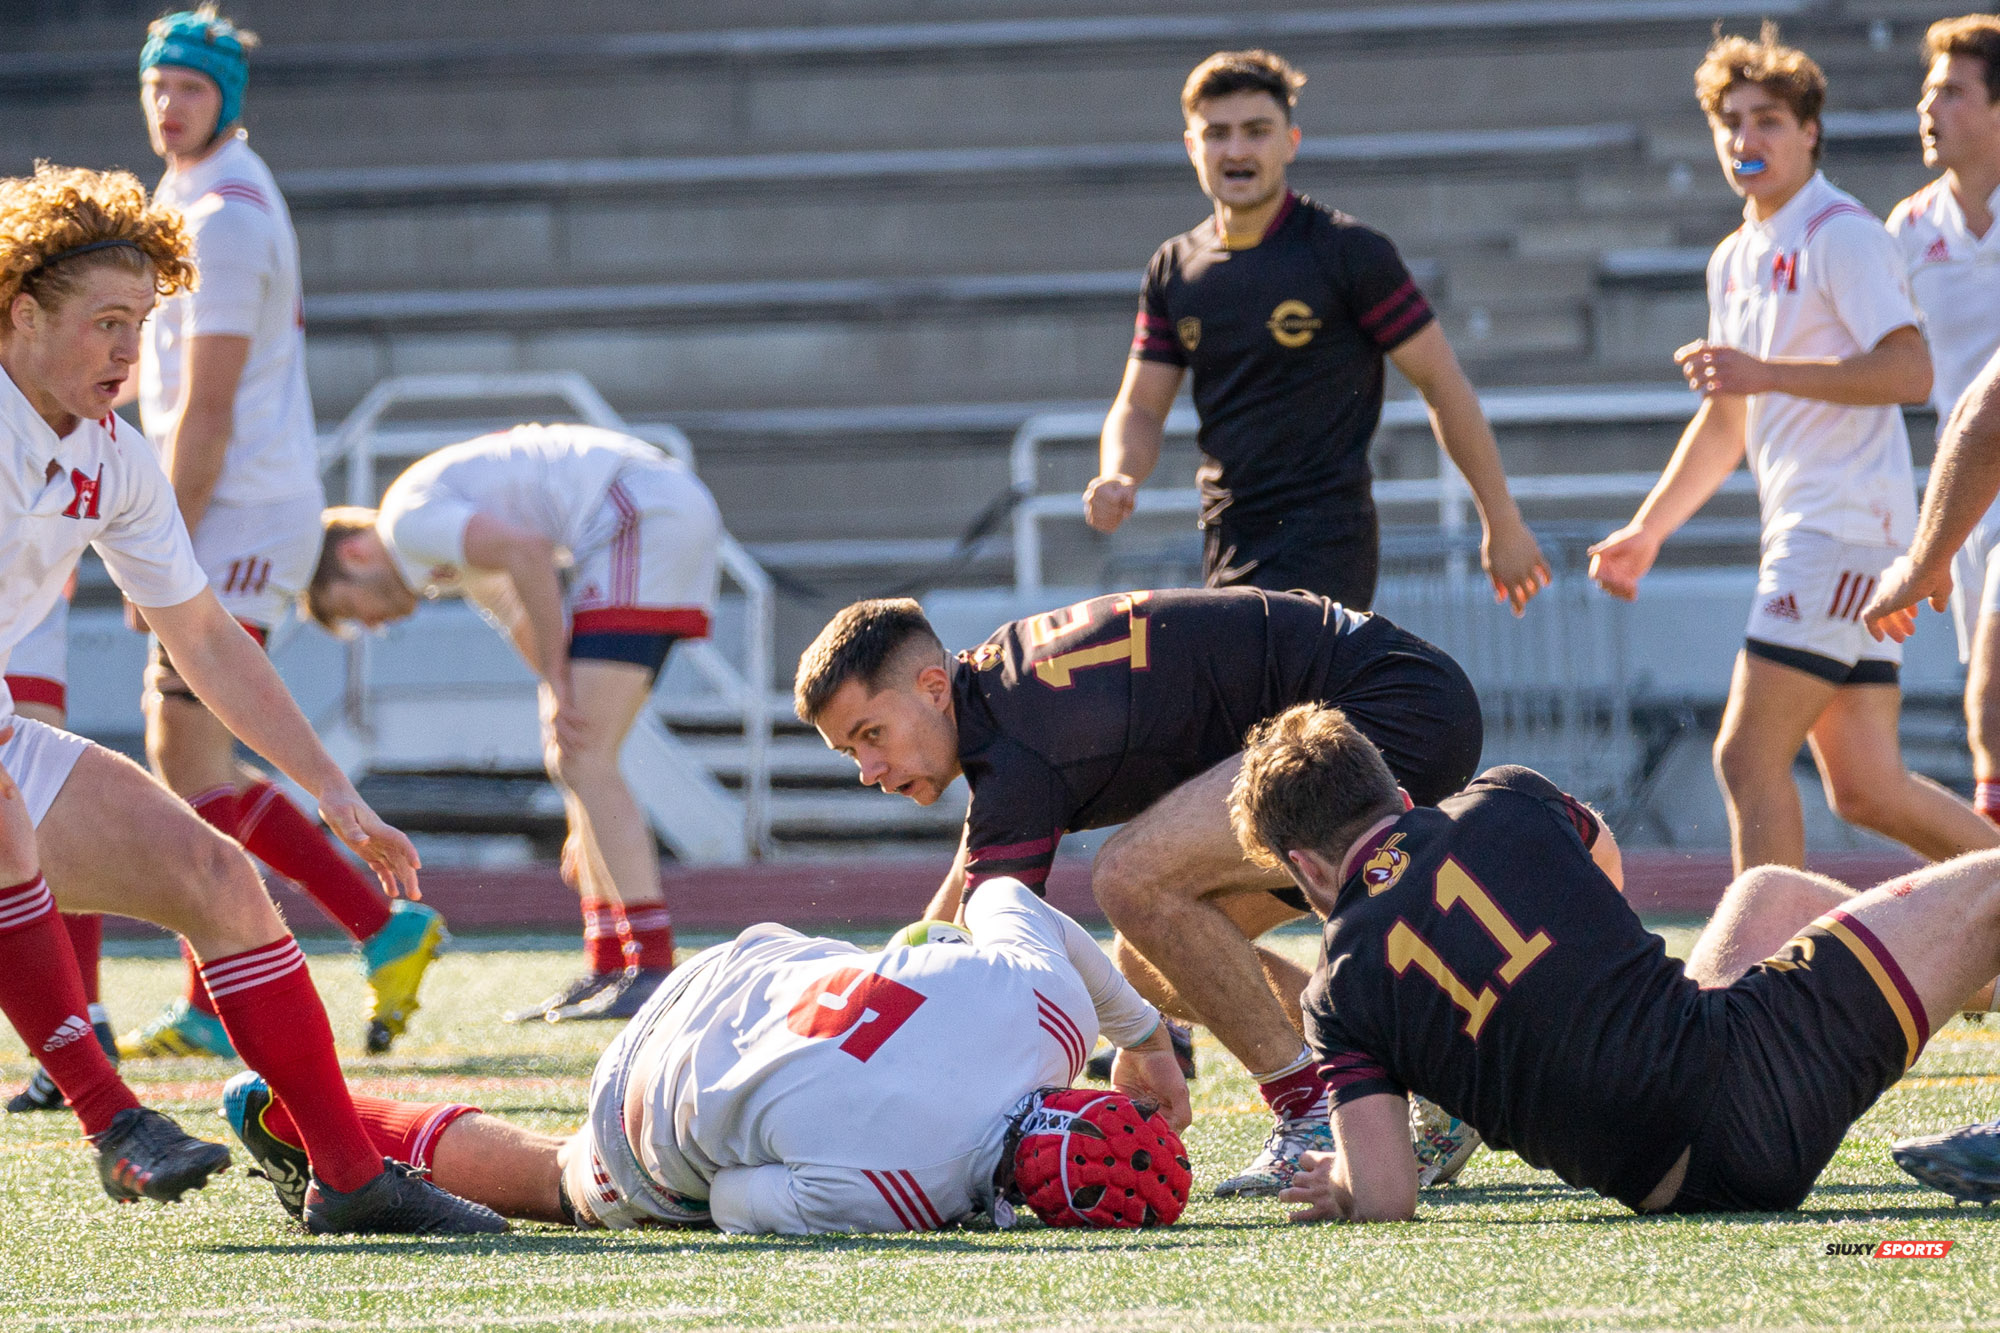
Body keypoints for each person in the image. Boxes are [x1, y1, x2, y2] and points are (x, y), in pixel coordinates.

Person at [0, 160, 500, 1232]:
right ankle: (110, 1118)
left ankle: (352, 1182)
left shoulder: (112, 454)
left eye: (142, 323)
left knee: (218, 877)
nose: (131, 352)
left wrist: (331, 789)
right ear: (22, 314)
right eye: (105, 323)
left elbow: (203, 635)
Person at [793, 588, 1482, 1197]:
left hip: (1389, 709)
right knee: (1148, 960)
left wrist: (866, 1063)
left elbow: (989, 961)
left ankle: (1309, 1109)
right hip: (1394, 698)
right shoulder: (994, 696)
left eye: (871, 735)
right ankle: (1421, 1078)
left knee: (1131, 878)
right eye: (852, 750)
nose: (868, 769)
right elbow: (967, 898)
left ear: (933, 687)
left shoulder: (1015, 745)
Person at [1231, 702, 2000, 1221]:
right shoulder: (1503, 796)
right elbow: (1602, 863)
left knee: (1767, 892)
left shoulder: (1335, 994)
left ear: (1308, 868)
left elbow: (1388, 1193)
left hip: (1678, 1186)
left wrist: (1337, 1180)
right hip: (1753, 1080)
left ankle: (1977, 982)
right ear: (1396, 793)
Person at [111, 5, 446, 1064]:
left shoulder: (228, 216)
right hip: (236, 503)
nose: (169, 106)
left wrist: (156, 529)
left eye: (192, 89)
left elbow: (204, 407)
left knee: (184, 751)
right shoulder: (192, 194)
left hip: (241, 507)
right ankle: (339, 943)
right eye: (157, 85)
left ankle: (318, 946)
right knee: (195, 758)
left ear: (230, 101)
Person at [220, 878, 1193, 1234]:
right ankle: (311, 1112)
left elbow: (1002, 896)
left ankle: (314, 1102)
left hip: (745, 968)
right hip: (655, 1089)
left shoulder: (1048, 1013)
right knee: (558, 1177)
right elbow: (735, 1203)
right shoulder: (908, 1192)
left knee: (929, 952)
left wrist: (1141, 1034)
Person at [1589, 26, 1996, 875]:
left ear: (1810, 130)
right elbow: (1728, 421)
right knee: (1867, 787)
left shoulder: (1841, 232)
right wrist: (1648, 530)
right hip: (1818, 530)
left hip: (1844, 528)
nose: (1746, 139)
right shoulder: (1735, 258)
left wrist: (1762, 369)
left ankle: (1758, 968)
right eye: (1730, 121)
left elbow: (1909, 369)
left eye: (1768, 119)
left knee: (1744, 754)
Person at [1087, 48, 1547, 615]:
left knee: (1294, 695)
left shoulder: (1348, 253)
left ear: (1291, 142)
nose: (1236, 150)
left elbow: (1442, 383)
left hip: (1329, 538)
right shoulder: (1174, 267)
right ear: (1191, 147)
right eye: (1217, 133)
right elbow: (1140, 406)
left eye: (1257, 131)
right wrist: (1119, 473)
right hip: (1227, 533)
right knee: (1254, 703)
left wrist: (1502, 523)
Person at [305, 422, 722, 1021]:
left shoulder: (409, 524)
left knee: (584, 757)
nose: (372, 624)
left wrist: (559, 679)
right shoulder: (437, 540)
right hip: (646, 512)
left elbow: (529, 555)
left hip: (639, 514)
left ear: (355, 553)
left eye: (351, 608)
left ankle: (649, 964)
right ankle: (609, 961)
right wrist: (557, 694)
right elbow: (519, 612)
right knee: (575, 758)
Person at [1887, 15, 2000, 827]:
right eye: (1928, 92)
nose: (1930, 108)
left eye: (1954, 92)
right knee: (1987, 715)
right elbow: (1894, 367)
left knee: (1990, 699)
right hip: (1967, 493)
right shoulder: (1907, 230)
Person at [2, 582, 116, 1114]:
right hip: (36, 575)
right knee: (37, 792)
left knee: (31, 795)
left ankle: (78, 1026)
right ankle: (82, 1019)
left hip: (28, 568)